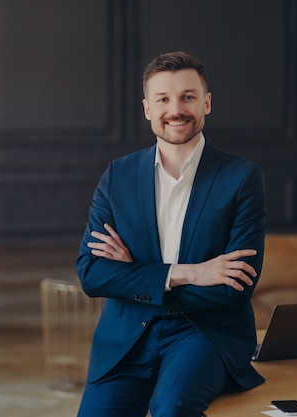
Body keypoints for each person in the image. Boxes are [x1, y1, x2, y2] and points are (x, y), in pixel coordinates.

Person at [76, 51, 266, 417]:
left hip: (203, 335)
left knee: (172, 407)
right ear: (147, 108)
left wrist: (137, 277)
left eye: (188, 97)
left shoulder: (241, 178)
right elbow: (91, 273)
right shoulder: (118, 176)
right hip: (127, 337)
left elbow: (233, 288)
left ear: (206, 103)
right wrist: (189, 272)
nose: (175, 109)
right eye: (163, 99)